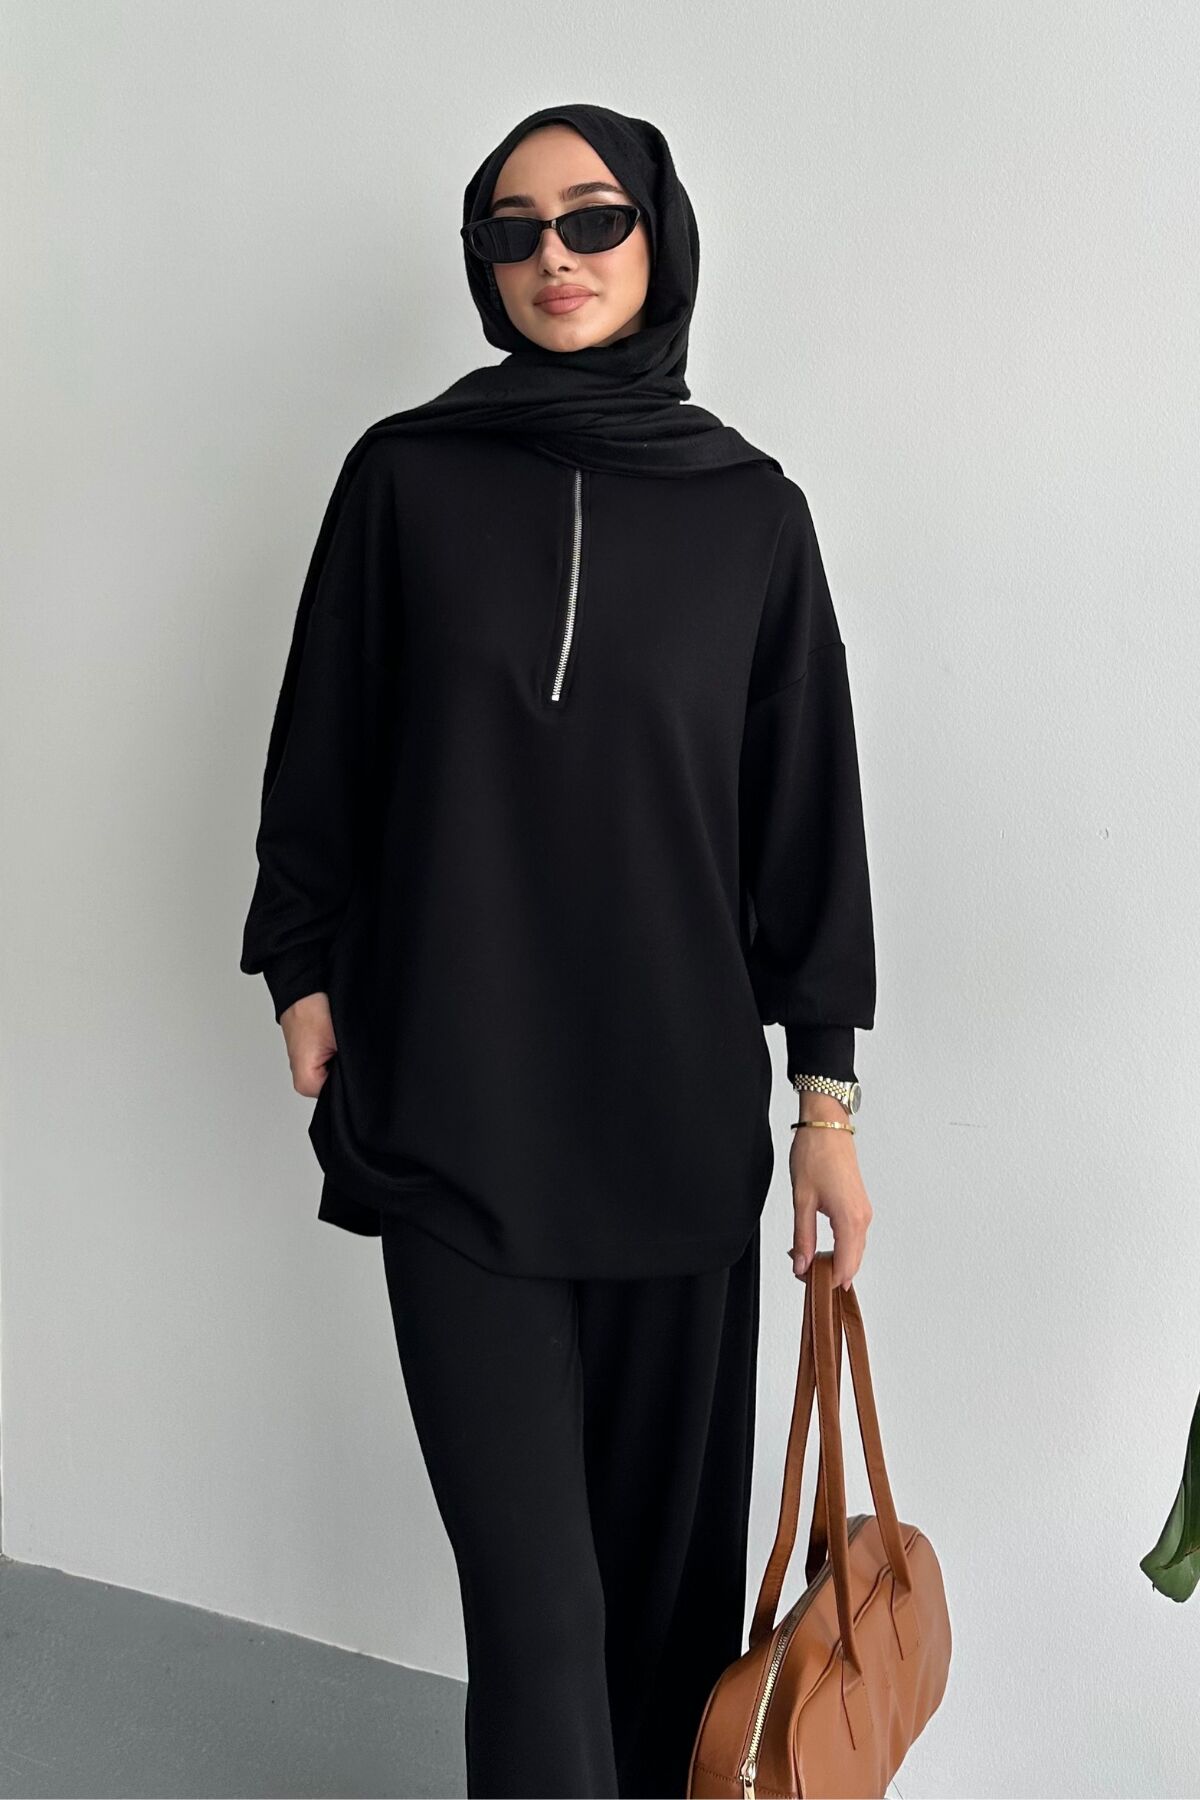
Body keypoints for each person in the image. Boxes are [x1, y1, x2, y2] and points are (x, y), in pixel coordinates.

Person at [239, 102, 876, 1800]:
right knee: (537, 1618)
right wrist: (301, 967)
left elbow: (805, 826)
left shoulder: (752, 514)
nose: (554, 258)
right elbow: (322, 747)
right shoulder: (404, 481)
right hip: (451, 1112)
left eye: (593, 220)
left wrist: (824, 1106)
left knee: (667, 1616)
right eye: (513, 231)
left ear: (659, 238)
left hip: (676, 1126)